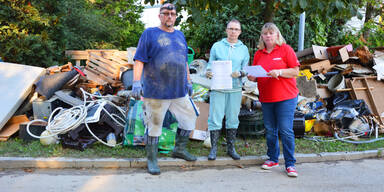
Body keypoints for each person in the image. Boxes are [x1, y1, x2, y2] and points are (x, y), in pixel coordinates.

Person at [131, 3, 198, 175]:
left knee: (189, 118)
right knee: (154, 126)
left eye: (172, 14)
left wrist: (188, 81)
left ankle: (179, 150)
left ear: (176, 17)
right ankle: (152, 159)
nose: (169, 16)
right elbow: (139, 60)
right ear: (160, 16)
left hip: (179, 91)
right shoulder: (149, 34)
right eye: (166, 13)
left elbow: (184, 62)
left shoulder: (180, 35)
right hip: (156, 91)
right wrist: (137, 82)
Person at [247, 22, 300, 177]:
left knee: (285, 130)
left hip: (286, 97)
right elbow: (257, 74)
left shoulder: (286, 49)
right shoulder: (258, 53)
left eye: (271, 33)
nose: (268, 36)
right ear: (262, 36)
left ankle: (290, 164)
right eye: (265, 33)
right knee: (270, 130)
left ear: (277, 35)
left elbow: (295, 71)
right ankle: (273, 159)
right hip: (266, 98)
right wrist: (252, 76)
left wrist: (280, 71)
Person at [205, 19, 249, 160]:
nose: (233, 32)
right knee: (215, 117)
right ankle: (214, 149)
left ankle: (231, 148)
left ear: (240, 32)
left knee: (232, 118)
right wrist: (208, 71)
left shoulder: (244, 49)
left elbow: (246, 69)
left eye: (236, 29)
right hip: (218, 87)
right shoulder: (217, 46)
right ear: (226, 30)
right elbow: (210, 64)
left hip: (235, 88)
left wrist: (241, 73)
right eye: (231, 29)